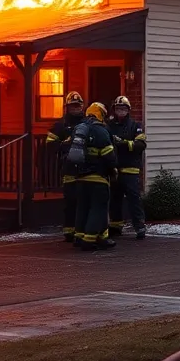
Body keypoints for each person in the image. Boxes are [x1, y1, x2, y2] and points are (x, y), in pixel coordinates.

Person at [71, 102, 118, 251]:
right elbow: (108, 155)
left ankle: (79, 237)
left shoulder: (79, 129)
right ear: (101, 114)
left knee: (82, 208)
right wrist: (113, 169)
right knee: (98, 208)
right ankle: (89, 239)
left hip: (80, 178)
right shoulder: (100, 130)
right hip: (98, 178)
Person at [46, 91, 85, 243]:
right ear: (67, 108)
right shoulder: (60, 125)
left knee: (83, 201)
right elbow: (50, 144)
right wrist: (64, 145)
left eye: (78, 106)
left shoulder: (87, 123)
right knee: (70, 201)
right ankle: (69, 231)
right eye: (73, 106)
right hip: (68, 168)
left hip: (85, 169)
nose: (76, 109)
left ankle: (81, 230)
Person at [107, 96, 148, 239]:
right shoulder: (109, 126)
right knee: (114, 199)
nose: (121, 111)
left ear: (128, 110)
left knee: (134, 199)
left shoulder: (135, 125)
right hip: (115, 169)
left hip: (130, 169)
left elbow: (141, 145)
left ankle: (140, 226)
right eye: (118, 109)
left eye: (123, 109)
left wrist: (124, 143)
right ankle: (116, 226)